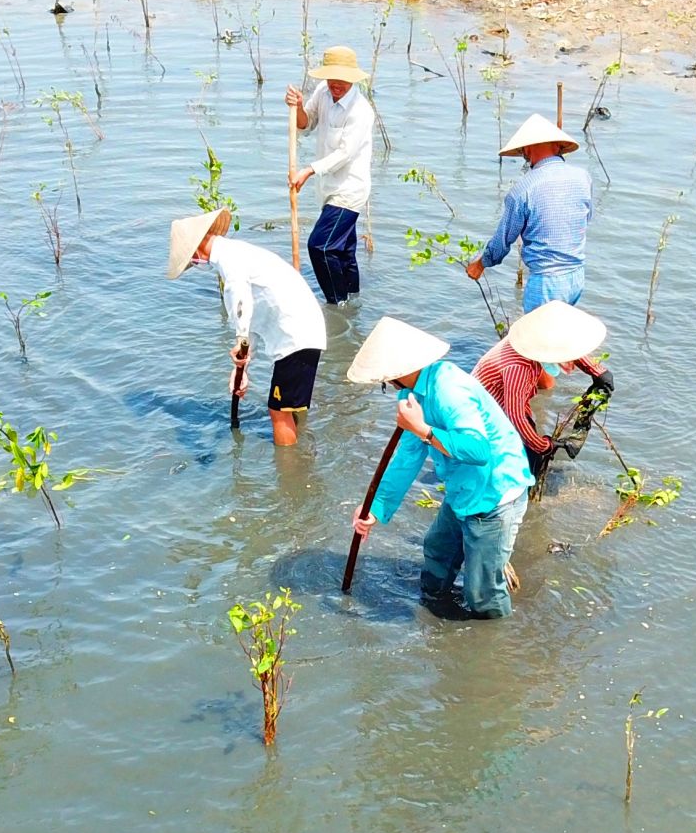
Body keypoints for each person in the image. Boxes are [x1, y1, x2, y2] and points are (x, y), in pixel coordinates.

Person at [348, 317, 536, 619]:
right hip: (462, 489)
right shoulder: (410, 394)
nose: (386, 384)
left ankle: (494, 651)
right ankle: (436, 610)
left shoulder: (449, 388)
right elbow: (408, 456)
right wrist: (377, 507)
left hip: (495, 493)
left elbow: (478, 450)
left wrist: (423, 429)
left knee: (482, 592)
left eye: (384, 379)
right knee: (437, 553)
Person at [166, 208, 327, 446]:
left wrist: (240, 339)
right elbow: (252, 313)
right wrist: (242, 368)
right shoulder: (237, 252)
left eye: (191, 259)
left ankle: (290, 475)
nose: (195, 263)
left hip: (297, 336)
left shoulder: (230, 261)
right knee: (291, 406)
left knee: (278, 411)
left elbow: (240, 299)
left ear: (197, 249)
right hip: (302, 331)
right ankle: (302, 456)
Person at [472, 300, 615, 481]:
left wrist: (597, 371)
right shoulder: (518, 367)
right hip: (485, 409)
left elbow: (567, 346)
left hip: (506, 399)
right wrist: (544, 446)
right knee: (520, 456)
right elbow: (515, 416)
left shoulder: (530, 342)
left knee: (530, 447)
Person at [466, 113, 593, 312]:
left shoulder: (523, 189)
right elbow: (585, 220)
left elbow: (502, 242)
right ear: (557, 145)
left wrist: (480, 264)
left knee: (535, 342)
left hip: (546, 283)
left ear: (527, 149)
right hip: (576, 276)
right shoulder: (582, 177)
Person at [285, 46, 375, 305]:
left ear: (352, 78)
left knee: (320, 246)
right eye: (331, 78)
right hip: (329, 189)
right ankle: (352, 301)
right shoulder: (323, 92)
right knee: (344, 253)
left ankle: (336, 304)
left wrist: (309, 170)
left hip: (349, 190)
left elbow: (345, 154)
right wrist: (299, 106)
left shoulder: (360, 111)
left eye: (341, 80)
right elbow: (306, 123)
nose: (336, 85)